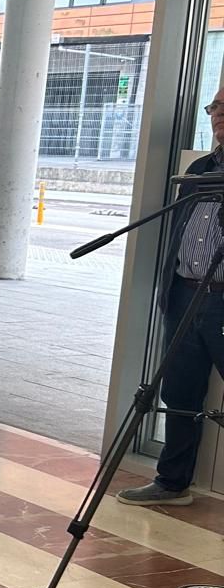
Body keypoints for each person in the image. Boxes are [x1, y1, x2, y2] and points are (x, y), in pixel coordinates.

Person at [119, 80, 224, 507]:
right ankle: (172, 482)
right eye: (215, 107)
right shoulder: (199, 170)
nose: (220, 115)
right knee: (179, 392)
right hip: (184, 295)